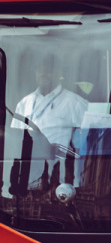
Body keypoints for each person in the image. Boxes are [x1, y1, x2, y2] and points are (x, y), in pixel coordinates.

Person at [10, 54, 88, 192]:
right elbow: (15, 143)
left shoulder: (76, 103)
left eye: (49, 69)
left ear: (59, 73)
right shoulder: (24, 103)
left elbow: (88, 143)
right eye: (39, 69)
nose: (43, 73)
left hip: (63, 172)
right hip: (30, 173)